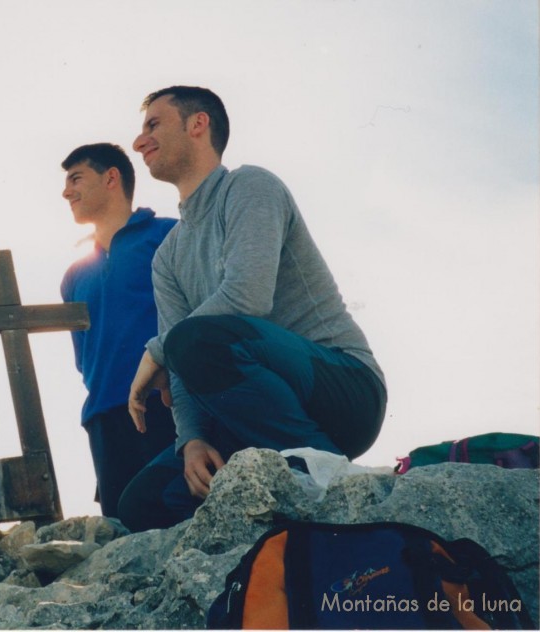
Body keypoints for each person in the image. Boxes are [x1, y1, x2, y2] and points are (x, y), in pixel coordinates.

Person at [122, 86, 387, 532]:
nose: (138, 142)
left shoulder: (250, 186)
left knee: (191, 339)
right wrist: (192, 440)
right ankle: (274, 502)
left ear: (198, 124)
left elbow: (247, 298)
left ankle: (330, 480)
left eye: (153, 125)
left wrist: (155, 351)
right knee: (142, 504)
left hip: (343, 389)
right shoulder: (167, 256)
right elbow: (184, 368)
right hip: (256, 410)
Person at [59, 143, 178, 519]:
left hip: (170, 406)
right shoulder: (74, 275)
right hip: (106, 419)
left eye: (76, 178)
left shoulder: (169, 236)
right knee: (124, 540)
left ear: (111, 177)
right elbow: (84, 358)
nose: (67, 192)